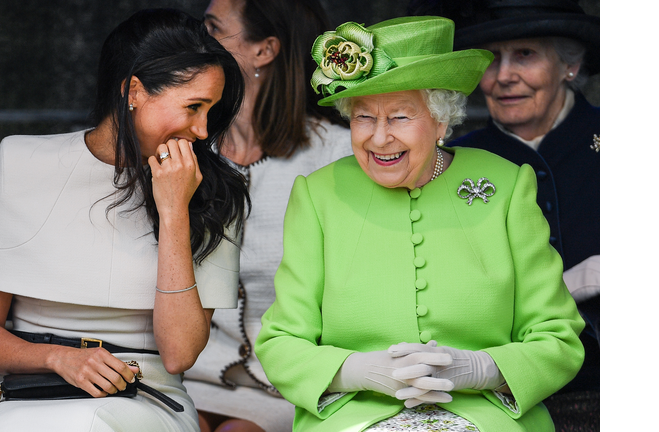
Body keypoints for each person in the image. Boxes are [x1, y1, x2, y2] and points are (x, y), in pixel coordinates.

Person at [255, 16, 585, 432]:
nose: (378, 138)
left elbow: (558, 337)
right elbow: (281, 341)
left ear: (441, 122)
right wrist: (354, 371)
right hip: (352, 419)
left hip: (489, 417)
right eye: (363, 117)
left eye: (399, 118)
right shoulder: (319, 195)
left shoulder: (505, 185)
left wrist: (484, 369)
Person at [0, 9, 249, 432]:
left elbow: (179, 354)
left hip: (147, 395)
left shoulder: (215, 189)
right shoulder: (21, 161)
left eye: (211, 110)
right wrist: (58, 358)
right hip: (30, 392)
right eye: (193, 106)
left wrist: (173, 212)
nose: (204, 130)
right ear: (134, 91)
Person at [408, 0, 600, 426]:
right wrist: (578, 280)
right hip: (493, 386)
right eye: (492, 60)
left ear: (570, 64)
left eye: (525, 55)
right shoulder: (450, 160)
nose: (504, 76)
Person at [180, 1, 352, 432]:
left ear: (264, 50)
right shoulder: (189, 147)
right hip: (191, 376)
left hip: (289, 380)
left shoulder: (337, 154)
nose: (196, 39)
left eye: (213, 27)